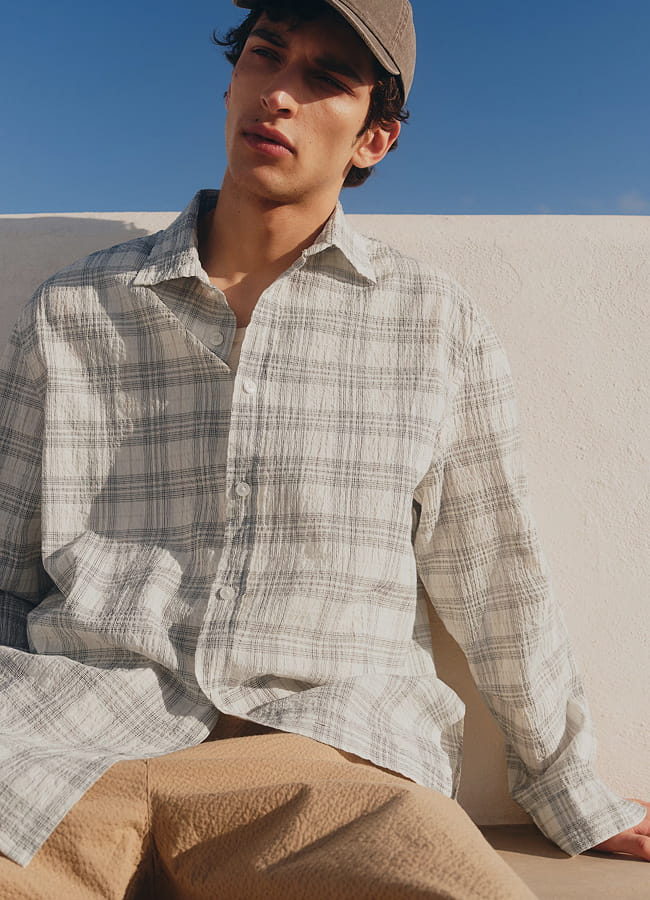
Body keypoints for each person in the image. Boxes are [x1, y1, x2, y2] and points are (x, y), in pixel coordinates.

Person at [0, 0, 647, 896]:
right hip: (63, 739)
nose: (279, 94)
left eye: (325, 79)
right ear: (232, 82)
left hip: (328, 756)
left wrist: (570, 787)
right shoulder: (74, 309)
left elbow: (497, 573)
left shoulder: (431, 323)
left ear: (373, 139)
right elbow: (6, 567)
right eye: (266, 56)